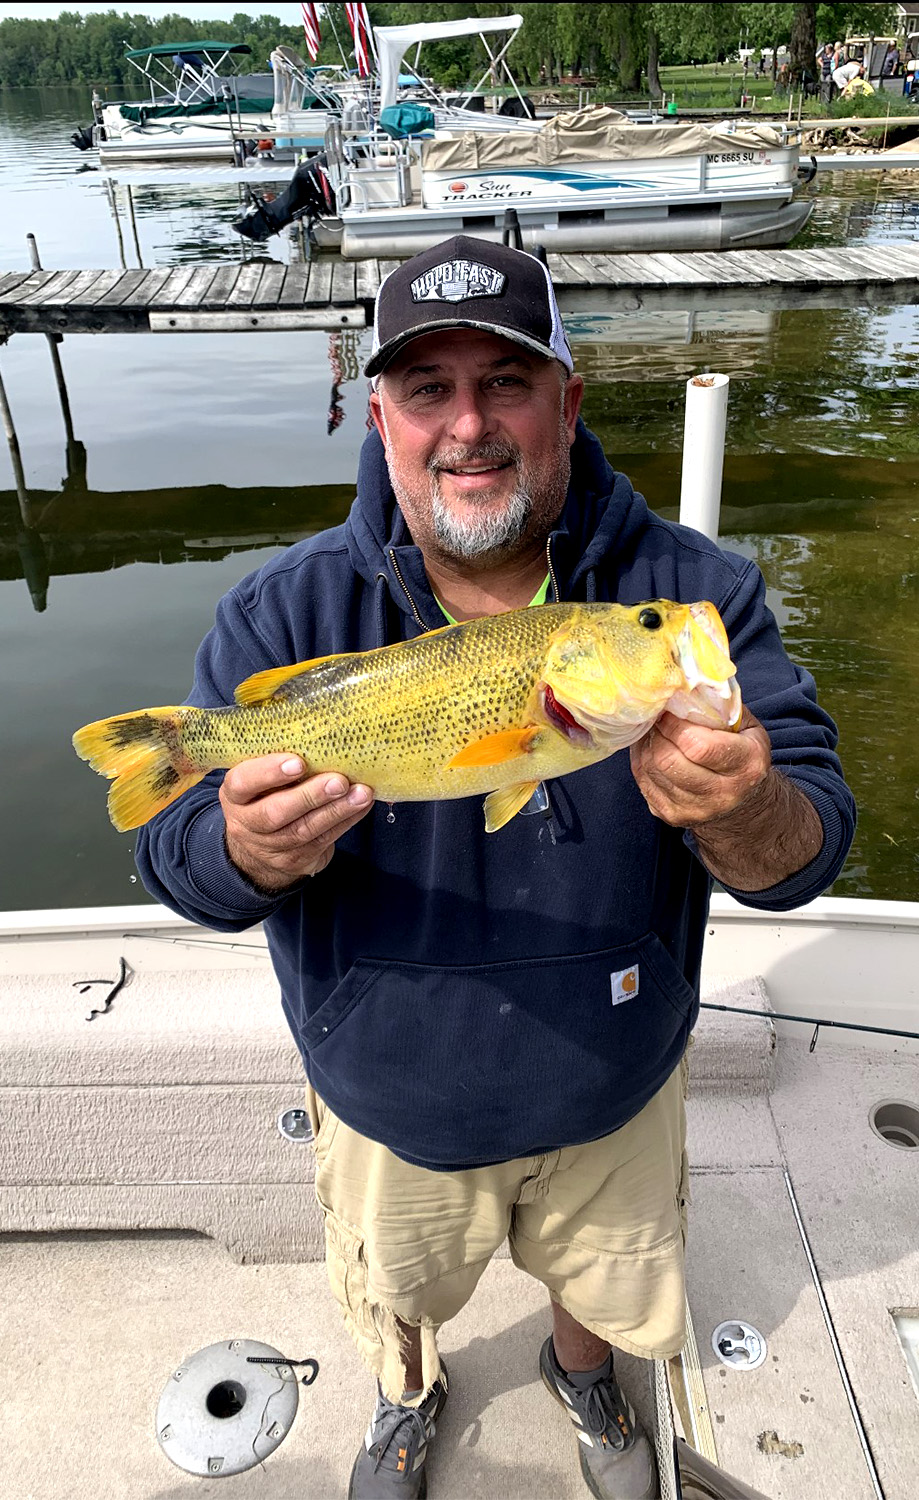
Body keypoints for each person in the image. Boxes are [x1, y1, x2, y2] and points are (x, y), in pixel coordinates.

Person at [133, 236, 855, 1499]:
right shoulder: (282, 615)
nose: (469, 424)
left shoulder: (689, 597)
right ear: (381, 416)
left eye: (506, 382)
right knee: (396, 1296)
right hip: (390, 1096)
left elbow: (803, 852)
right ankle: (407, 1401)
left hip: (617, 1084)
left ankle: (584, 1378)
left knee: (605, 1292)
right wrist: (241, 848)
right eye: (427, 390)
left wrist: (744, 811)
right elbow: (176, 860)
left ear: (566, 401)